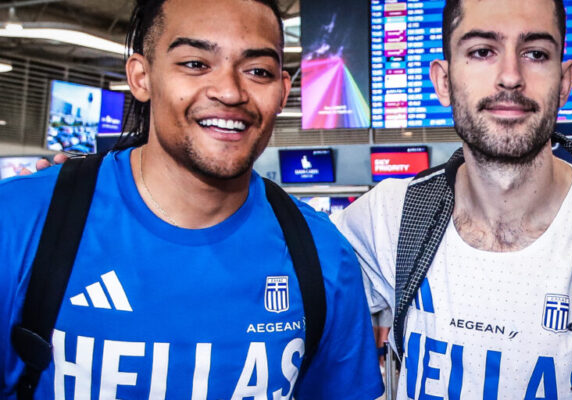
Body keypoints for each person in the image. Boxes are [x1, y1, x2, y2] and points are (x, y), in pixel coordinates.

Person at [0, 0, 384, 398]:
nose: (230, 92)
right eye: (195, 64)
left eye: (258, 71)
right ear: (141, 77)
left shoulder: (323, 256)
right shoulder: (19, 222)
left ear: (283, 91)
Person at [333, 0, 572, 397]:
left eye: (535, 54)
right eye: (481, 51)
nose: (510, 77)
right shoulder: (388, 217)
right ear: (443, 81)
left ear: (564, 83)